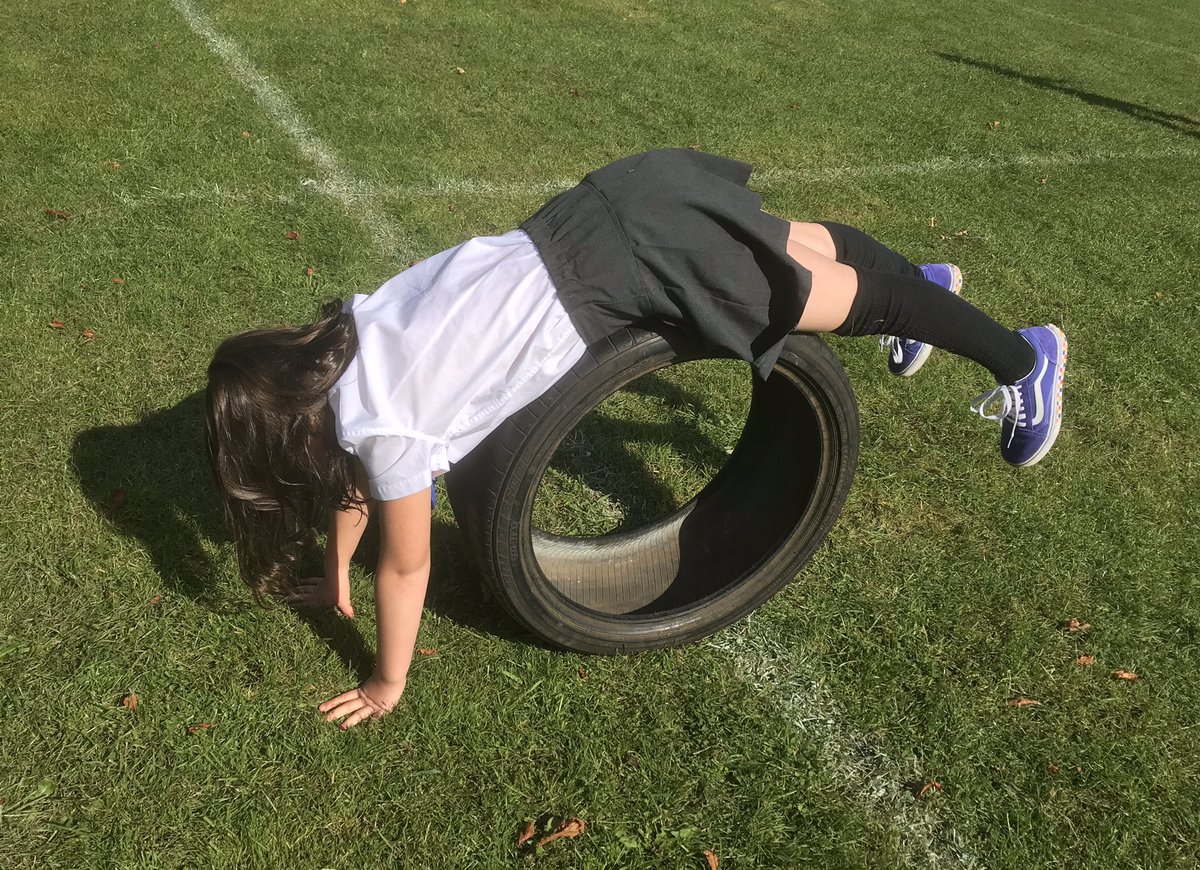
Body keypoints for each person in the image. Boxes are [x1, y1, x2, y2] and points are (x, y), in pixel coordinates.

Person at [205, 149, 1067, 729]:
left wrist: (384, 681)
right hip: (604, 207)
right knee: (796, 249)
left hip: (628, 269)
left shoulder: (385, 431)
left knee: (829, 301)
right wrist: (332, 581)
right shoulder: (353, 331)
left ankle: (1020, 358)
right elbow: (349, 485)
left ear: (290, 441)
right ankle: (924, 285)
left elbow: (406, 562)